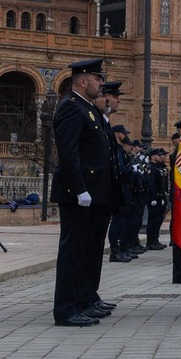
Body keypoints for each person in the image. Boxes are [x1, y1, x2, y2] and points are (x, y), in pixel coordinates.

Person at [52, 59, 118, 327]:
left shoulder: (87, 108)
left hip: (95, 194)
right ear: (83, 81)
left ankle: (84, 300)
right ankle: (67, 309)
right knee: (74, 252)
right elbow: (68, 152)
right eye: (97, 78)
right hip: (78, 194)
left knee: (88, 251)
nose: (101, 83)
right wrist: (79, 189)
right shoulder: (71, 108)